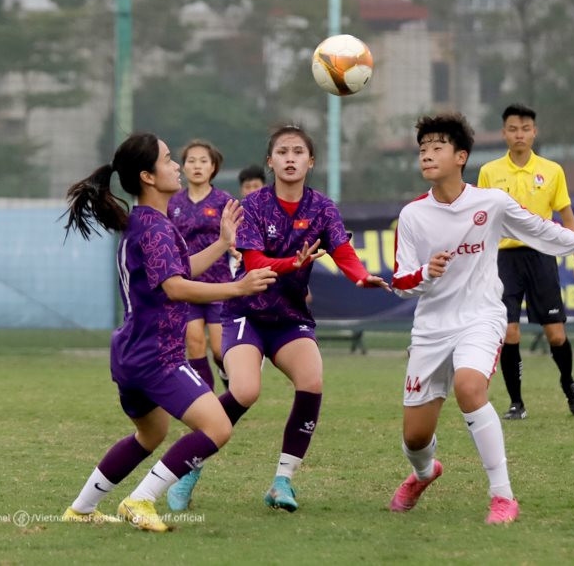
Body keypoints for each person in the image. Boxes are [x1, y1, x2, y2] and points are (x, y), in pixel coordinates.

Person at [389, 113, 574, 523]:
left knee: (470, 387)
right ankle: (424, 472)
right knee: (415, 437)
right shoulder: (413, 215)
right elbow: (400, 281)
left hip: (481, 317)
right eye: (422, 149)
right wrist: (424, 273)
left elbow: (543, 229)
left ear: (461, 156)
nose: (427, 155)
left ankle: (502, 497)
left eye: (437, 148)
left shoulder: (491, 202)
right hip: (431, 328)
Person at [167, 124, 389, 513]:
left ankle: (282, 481)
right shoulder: (253, 206)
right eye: (282, 152)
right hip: (245, 313)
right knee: (246, 391)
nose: (290, 158)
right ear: (270, 161)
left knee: (312, 381)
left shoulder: (322, 207)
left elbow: (342, 250)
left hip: (289, 317)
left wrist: (361, 276)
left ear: (310, 161)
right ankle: (190, 464)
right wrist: (294, 263)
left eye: (298, 152)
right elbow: (254, 265)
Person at [60, 132, 276, 532]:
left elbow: (179, 270)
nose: (176, 165)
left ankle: (82, 508)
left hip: (130, 352)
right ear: (147, 176)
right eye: (166, 159)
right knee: (217, 427)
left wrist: (221, 244)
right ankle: (140, 500)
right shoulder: (154, 228)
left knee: (150, 433)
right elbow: (174, 287)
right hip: (156, 356)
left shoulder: (147, 222)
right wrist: (237, 287)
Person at [477, 103, 574, 420]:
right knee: (509, 331)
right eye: (513, 129)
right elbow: (481, 220)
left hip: (542, 257)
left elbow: (567, 217)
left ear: (534, 132)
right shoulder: (489, 172)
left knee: (555, 333)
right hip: (503, 261)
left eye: (525, 129)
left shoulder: (552, 171)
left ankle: (568, 383)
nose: (519, 134)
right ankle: (516, 403)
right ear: (504, 133)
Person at [168, 139, 235, 391]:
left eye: (203, 161)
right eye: (191, 161)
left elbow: (235, 237)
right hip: (186, 285)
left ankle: (229, 383)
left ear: (213, 167)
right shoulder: (173, 203)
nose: (197, 166)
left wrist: (236, 249)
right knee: (194, 343)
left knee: (219, 349)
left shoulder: (224, 202)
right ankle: (204, 400)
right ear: (183, 167)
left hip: (219, 285)